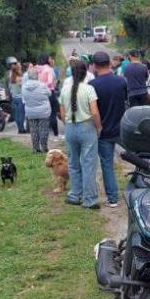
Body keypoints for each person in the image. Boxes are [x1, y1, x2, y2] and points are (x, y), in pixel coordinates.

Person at [58, 61, 102, 209]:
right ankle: (90, 199)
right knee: (88, 164)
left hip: (70, 127)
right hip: (87, 127)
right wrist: (99, 127)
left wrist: (69, 125)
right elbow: (95, 112)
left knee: (73, 163)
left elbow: (62, 113)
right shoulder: (89, 89)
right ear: (85, 73)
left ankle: (75, 195)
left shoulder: (64, 90)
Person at [89, 51, 128, 208]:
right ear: (109, 63)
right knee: (135, 157)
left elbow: (93, 110)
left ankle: (113, 199)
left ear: (95, 66)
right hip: (122, 129)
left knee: (107, 164)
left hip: (103, 131)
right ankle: (142, 185)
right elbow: (126, 101)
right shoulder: (121, 81)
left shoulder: (93, 85)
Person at [22, 67, 51, 153]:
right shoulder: (42, 85)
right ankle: (44, 147)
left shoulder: (24, 87)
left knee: (33, 130)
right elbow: (49, 93)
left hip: (30, 112)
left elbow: (24, 99)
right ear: (37, 75)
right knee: (43, 129)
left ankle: (36, 148)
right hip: (43, 112)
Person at [37, 54, 60, 139]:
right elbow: (50, 82)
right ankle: (56, 134)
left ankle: (42, 133)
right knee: (53, 113)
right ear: (46, 59)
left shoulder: (37, 68)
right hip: (49, 92)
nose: (51, 59)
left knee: (43, 113)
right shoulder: (49, 69)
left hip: (39, 93)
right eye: (49, 58)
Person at [9, 61, 26, 133]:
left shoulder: (11, 77)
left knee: (16, 114)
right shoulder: (19, 78)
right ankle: (21, 129)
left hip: (14, 98)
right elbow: (23, 87)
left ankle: (19, 128)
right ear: (17, 70)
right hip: (20, 98)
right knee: (21, 114)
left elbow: (10, 88)